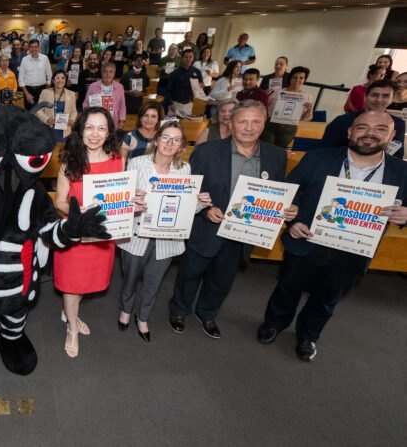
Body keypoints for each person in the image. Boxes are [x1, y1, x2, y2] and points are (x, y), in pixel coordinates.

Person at [257, 111, 407, 362]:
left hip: (353, 250)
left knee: (327, 299)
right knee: (287, 288)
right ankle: (274, 324)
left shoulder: (402, 172)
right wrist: (293, 220)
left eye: (380, 129)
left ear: (392, 136)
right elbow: (290, 192)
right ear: (350, 132)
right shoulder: (317, 158)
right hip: (306, 240)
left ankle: (308, 336)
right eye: (362, 127)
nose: (370, 134)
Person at [168, 100, 295, 338]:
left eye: (255, 121)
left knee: (222, 279)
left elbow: (277, 193)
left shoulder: (277, 156)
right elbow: (191, 189)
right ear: (231, 122)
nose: (249, 127)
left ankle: (207, 313)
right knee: (190, 273)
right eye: (243, 121)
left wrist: (285, 209)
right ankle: (179, 309)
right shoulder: (206, 151)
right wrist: (205, 210)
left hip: (242, 233)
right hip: (206, 227)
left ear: (264, 124)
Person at [118, 122, 213, 341]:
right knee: (130, 278)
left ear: (181, 146)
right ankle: (126, 310)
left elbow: (185, 208)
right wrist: (132, 200)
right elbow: (124, 199)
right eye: (165, 138)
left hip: (166, 237)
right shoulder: (137, 162)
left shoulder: (184, 169)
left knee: (154, 281)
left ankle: (143, 317)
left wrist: (200, 203)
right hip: (136, 233)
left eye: (176, 140)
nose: (169, 143)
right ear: (156, 140)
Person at [54, 108, 122, 358]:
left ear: (109, 132)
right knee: (72, 284)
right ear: (80, 130)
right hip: (75, 234)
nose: (95, 134)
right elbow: (60, 202)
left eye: (101, 128)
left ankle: (69, 312)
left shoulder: (117, 160)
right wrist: (76, 212)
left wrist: (131, 201)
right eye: (89, 127)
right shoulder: (69, 162)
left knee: (86, 282)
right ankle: (72, 326)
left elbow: (120, 195)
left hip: (101, 235)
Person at [322, 80, 404, 158]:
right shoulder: (342, 121)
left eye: (386, 96)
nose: (379, 100)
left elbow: (397, 155)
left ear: (392, 99)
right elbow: (325, 150)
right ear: (365, 97)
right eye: (374, 95)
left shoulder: (398, 124)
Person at [261, 66, 314, 148]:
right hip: (271, 125)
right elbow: (265, 110)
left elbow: (305, 119)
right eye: (295, 77)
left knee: (279, 150)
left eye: (301, 78)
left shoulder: (307, 97)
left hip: (289, 129)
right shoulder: (277, 92)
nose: (297, 80)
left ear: (304, 80)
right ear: (290, 78)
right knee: (266, 148)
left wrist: (309, 110)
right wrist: (266, 104)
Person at [36, 70, 78, 140]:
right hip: (48, 129)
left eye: (63, 78)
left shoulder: (71, 94)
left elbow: (74, 111)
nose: (60, 80)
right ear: (53, 80)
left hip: (65, 131)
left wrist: (71, 120)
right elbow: (39, 110)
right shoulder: (45, 92)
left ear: (65, 80)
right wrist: (47, 119)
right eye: (57, 78)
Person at [84, 62, 126, 129]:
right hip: (96, 122)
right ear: (101, 73)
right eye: (105, 71)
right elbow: (85, 104)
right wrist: (90, 109)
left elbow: (122, 106)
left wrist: (121, 124)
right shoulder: (92, 86)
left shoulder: (120, 87)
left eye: (111, 72)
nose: (108, 74)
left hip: (113, 122)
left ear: (114, 73)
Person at [164, 49, 204, 117]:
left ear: (193, 58)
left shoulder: (197, 72)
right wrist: (170, 103)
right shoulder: (175, 73)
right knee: (172, 123)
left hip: (188, 105)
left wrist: (202, 86)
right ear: (182, 58)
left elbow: (200, 87)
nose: (188, 59)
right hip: (175, 104)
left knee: (186, 123)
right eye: (186, 57)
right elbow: (167, 90)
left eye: (190, 57)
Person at [18, 39, 52, 111]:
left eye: (36, 47)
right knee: (29, 113)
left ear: (39, 47)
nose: (34, 49)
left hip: (42, 90)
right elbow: (20, 79)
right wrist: (27, 94)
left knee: (42, 112)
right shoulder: (24, 60)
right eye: (32, 47)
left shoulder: (45, 58)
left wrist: (47, 91)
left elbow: (49, 75)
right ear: (29, 48)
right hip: (29, 90)